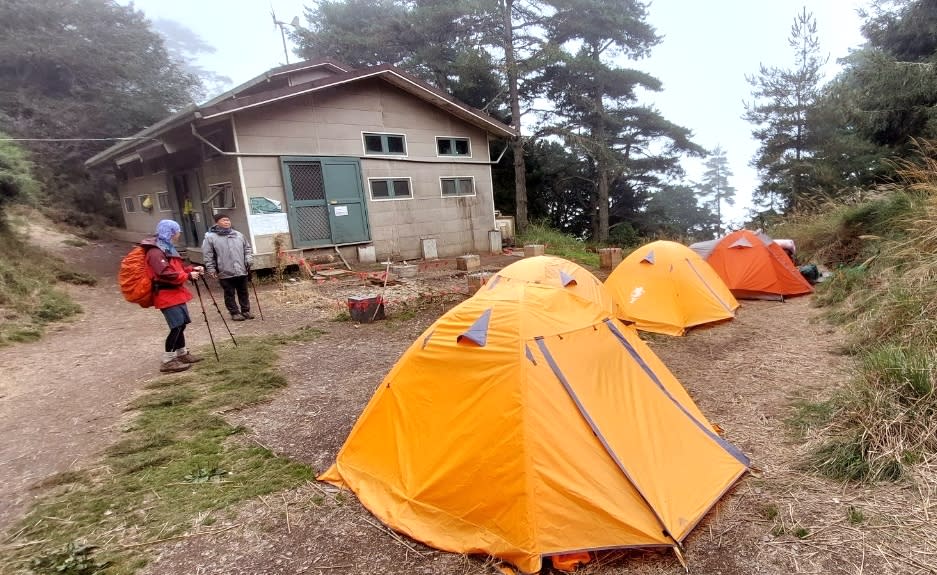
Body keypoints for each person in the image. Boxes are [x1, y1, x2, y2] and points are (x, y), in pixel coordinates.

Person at [141, 219, 204, 373]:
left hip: (175, 292)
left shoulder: (166, 248)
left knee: (181, 324)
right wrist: (188, 276)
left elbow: (178, 268)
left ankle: (181, 353)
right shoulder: (156, 251)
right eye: (177, 230)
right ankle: (168, 361)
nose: (179, 233)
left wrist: (191, 269)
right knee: (176, 326)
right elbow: (164, 273)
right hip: (165, 293)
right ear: (170, 232)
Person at [202, 213, 254, 321]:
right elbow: (208, 255)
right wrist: (211, 268)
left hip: (241, 269)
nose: (227, 222)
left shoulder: (238, 235)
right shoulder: (210, 237)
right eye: (223, 220)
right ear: (217, 223)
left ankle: (246, 311)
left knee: (243, 291)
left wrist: (248, 259)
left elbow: (247, 249)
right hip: (224, 271)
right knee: (229, 293)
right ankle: (234, 312)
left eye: (228, 220)